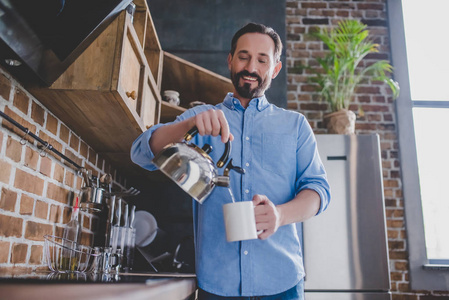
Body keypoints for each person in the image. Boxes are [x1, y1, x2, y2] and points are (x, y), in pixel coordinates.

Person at [131, 22, 331, 300]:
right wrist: (187, 125)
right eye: (243, 56)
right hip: (217, 285)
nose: (251, 67)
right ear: (230, 60)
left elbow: (319, 192)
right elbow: (141, 153)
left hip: (282, 282)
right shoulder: (201, 118)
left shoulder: (295, 126)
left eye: (262, 60)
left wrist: (280, 215)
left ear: (274, 68)